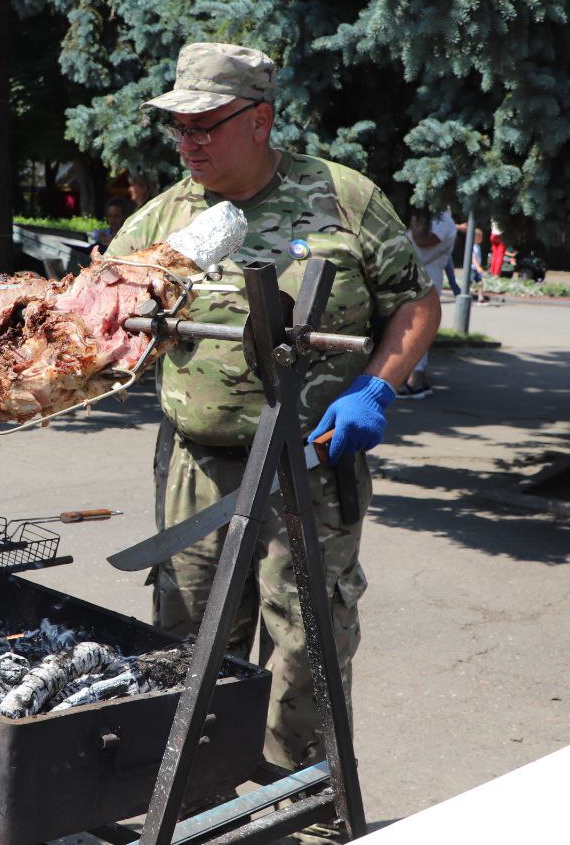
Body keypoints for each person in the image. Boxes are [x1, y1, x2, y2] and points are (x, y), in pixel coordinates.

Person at [100, 44, 432, 834]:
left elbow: (415, 305)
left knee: (306, 653)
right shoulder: (163, 222)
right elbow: (98, 325)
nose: (189, 144)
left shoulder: (344, 200)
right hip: (198, 470)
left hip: (311, 467)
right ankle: (191, 806)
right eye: (178, 128)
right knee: (184, 645)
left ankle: (304, 816)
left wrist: (378, 385)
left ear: (260, 121)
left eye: (206, 125)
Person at [402, 209, 456, 398]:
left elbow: (423, 241)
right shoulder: (437, 218)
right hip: (419, 276)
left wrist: (414, 218)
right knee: (414, 326)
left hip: (425, 278)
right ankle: (420, 380)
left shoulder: (443, 220)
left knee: (419, 327)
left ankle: (415, 381)